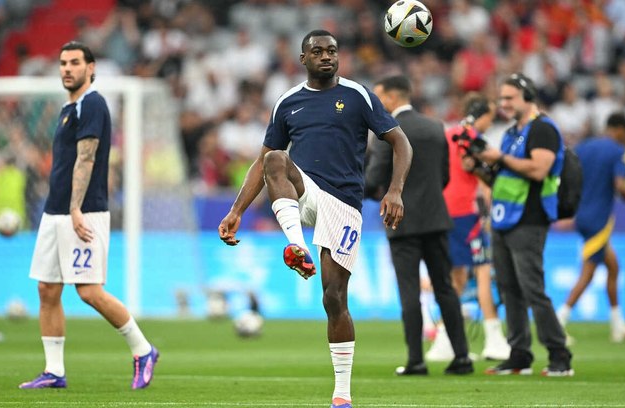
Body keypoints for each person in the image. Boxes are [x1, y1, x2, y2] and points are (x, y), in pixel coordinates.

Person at [217, 30, 412, 408]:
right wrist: (236, 210)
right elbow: (263, 162)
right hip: (305, 192)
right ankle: (297, 245)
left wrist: (395, 190)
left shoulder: (357, 95)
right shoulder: (288, 102)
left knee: (333, 298)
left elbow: (400, 141)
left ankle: (342, 393)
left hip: (343, 204)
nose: (327, 56)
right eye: (317, 51)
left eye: (332, 51)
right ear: (303, 59)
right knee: (276, 158)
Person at [19, 41, 158, 390]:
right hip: (55, 212)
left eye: (75, 62)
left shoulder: (92, 104)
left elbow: (87, 157)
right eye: (63, 63)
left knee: (88, 291)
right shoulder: (70, 108)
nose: (67, 68)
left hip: (84, 211)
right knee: (47, 289)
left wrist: (76, 208)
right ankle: (54, 371)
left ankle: (143, 350)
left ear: (91, 68)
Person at [365, 75, 473, 376]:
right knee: (446, 289)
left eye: (379, 96)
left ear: (390, 97)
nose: (377, 102)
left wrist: (374, 192)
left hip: (403, 224)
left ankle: (416, 360)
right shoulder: (435, 126)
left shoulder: (387, 132)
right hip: (437, 219)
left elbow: (373, 180)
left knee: (409, 291)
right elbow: (445, 177)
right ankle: (462, 357)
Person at [471, 73, 574, 377]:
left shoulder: (542, 129)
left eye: (509, 98)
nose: (503, 104)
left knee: (532, 289)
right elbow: (503, 177)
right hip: (504, 217)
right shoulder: (512, 132)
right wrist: (478, 167)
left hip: (529, 218)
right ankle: (519, 355)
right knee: (509, 289)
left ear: (527, 96)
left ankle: (559, 356)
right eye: (501, 98)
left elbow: (539, 169)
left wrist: (499, 157)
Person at [426, 93, 510, 362]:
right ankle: (494, 340)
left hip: (444, 210)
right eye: (490, 117)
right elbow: (481, 168)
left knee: (457, 278)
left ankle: (443, 340)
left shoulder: (449, 133)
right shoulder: (469, 136)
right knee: (483, 271)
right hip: (466, 213)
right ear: (482, 115)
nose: (490, 123)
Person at [556, 112, 625, 343]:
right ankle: (558, 321)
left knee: (613, 267)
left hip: (581, 215)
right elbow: (620, 185)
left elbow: (567, 176)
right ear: (620, 130)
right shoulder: (617, 151)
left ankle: (618, 325)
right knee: (588, 272)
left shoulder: (584, 147)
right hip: (599, 220)